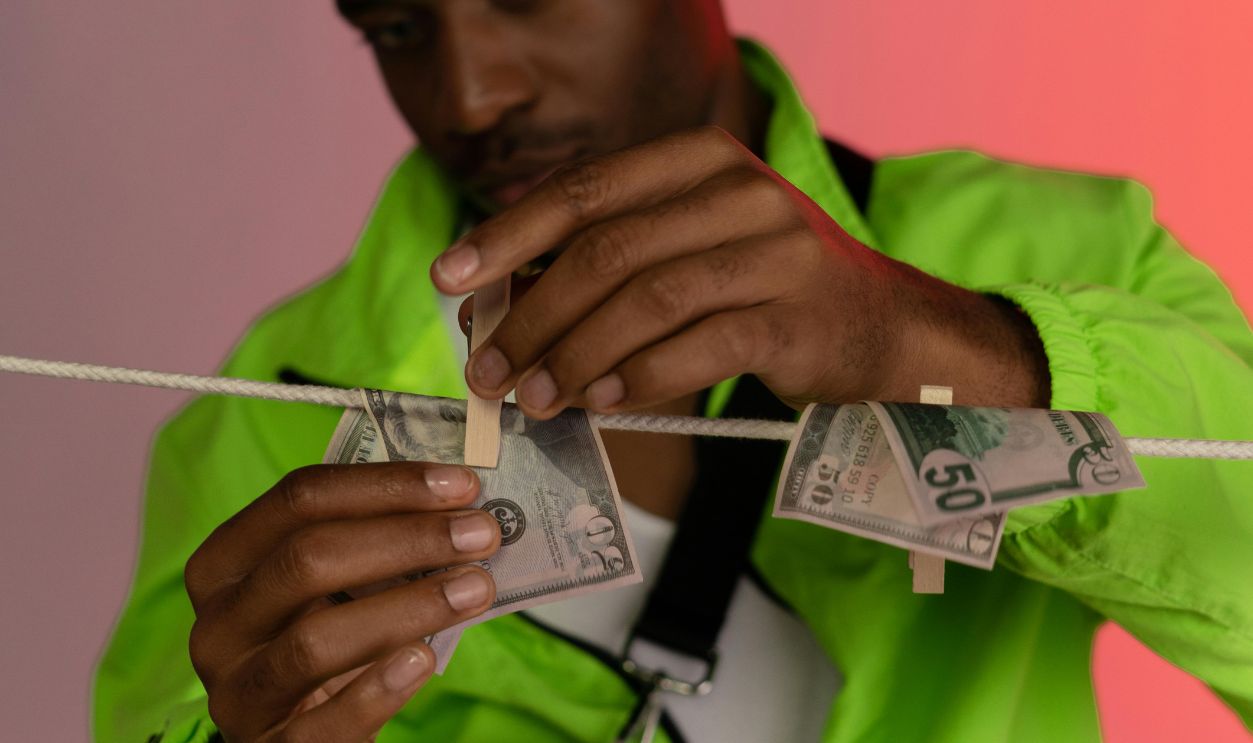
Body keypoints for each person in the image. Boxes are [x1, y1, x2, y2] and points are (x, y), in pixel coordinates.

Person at [93, 1, 1253, 741]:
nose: (471, 95)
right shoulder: (267, 407)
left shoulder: (1066, 254)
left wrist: (953, 342)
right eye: (396, 26)